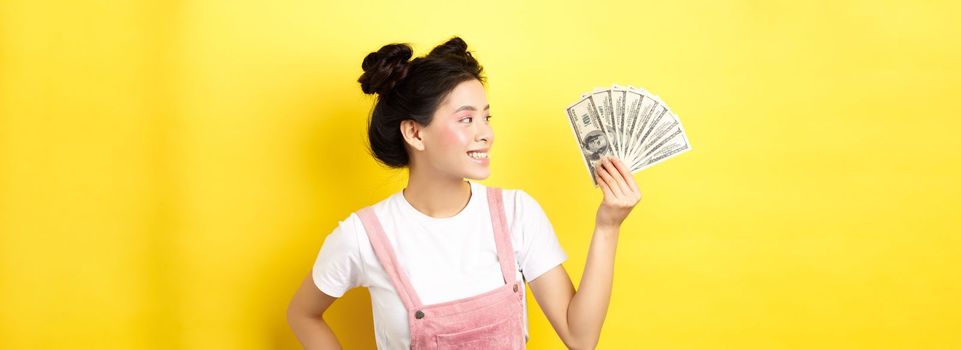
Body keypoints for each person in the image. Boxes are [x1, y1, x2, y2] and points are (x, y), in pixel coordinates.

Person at [286, 36, 641, 350]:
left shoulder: (517, 213)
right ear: (415, 132)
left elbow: (581, 338)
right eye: (466, 119)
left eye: (487, 117)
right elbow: (303, 315)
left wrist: (608, 226)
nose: (486, 134)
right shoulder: (363, 236)